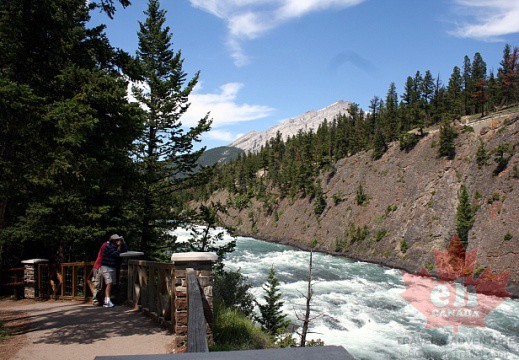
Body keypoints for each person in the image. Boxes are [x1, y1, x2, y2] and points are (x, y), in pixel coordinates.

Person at [100, 234, 127, 307]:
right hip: (106, 266)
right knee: (109, 283)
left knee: (111, 284)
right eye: (117, 240)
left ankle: (106, 301)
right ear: (113, 241)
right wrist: (119, 246)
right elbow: (116, 254)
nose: (118, 241)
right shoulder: (109, 246)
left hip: (112, 267)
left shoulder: (115, 246)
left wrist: (123, 243)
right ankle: (107, 301)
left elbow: (124, 251)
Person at [92, 240, 108, 306]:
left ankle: (100, 300)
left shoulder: (109, 245)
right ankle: (95, 300)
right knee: (99, 284)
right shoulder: (106, 245)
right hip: (99, 266)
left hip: (103, 266)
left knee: (103, 284)